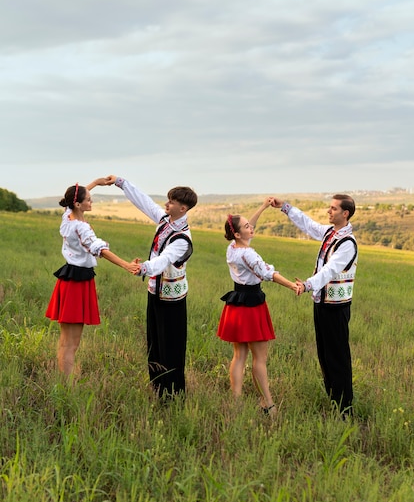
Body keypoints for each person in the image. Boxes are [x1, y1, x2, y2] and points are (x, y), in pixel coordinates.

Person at [103, 175, 198, 399]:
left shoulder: (182, 238)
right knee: (154, 343)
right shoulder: (165, 220)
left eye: (172, 201)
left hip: (172, 300)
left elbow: (164, 260)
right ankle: (157, 388)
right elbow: (144, 202)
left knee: (171, 347)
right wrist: (121, 182)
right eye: (168, 200)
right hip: (155, 292)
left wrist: (143, 268)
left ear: (183, 208)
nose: (167, 204)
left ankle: (173, 395)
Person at [272, 194, 358, 416]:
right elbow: (308, 225)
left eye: (333, 208)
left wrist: (308, 285)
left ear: (345, 213)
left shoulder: (347, 243)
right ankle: (333, 400)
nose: (329, 211)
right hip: (322, 302)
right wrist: (286, 207)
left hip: (336, 306)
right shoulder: (330, 233)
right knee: (325, 354)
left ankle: (344, 408)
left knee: (337, 356)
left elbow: (330, 270)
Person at [45, 179, 140, 377]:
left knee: (66, 340)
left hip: (69, 278)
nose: (92, 202)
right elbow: (101, 251)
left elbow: (75, 196)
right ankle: (66, 386)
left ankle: (63, 381)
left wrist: (96, 182)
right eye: (88, 199)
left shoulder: (67, 217)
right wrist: (127, 266)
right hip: (78, 283)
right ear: (78, 204)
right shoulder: (81, 228)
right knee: (72, 343)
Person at [217, 198, 298, 418]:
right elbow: (267, 274)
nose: (251, 227)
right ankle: (268, 404)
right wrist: (292, 285)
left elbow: (246, 228)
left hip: (236, 303)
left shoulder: (232, 248)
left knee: (239, 356)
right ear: (237, 233)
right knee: (259, 359)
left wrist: (261, 208)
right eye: (246, 227)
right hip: (252, 305)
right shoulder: (248, 254)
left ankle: (235, 402)